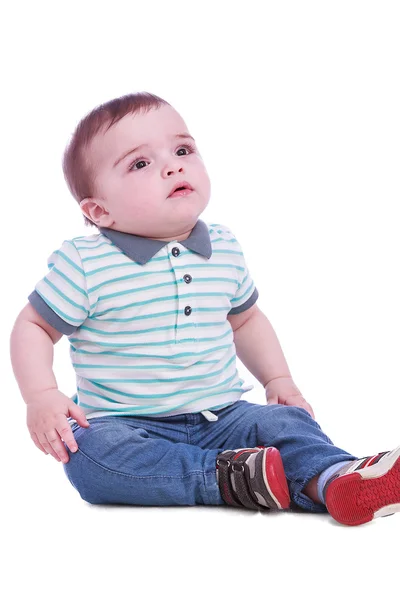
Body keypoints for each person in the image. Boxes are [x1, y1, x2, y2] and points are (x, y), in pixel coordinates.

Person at [10, 91, 400, 527]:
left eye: (182, 150)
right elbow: (34, 326)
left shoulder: (223, 247)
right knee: (91, 460)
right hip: (126, 424)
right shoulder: (85, 263)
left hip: (226, 416)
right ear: (99, 210)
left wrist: (277, 379)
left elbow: (246, 320)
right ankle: (228, 477)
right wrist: (41, 396)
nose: (173, 165)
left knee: (285, 424)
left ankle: (335, 479)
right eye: (140, 164)